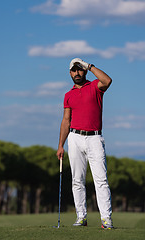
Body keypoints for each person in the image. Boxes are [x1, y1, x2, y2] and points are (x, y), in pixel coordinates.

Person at [56, 58, 113, 229]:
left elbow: (107, 80)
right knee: (77, 180)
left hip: (94, 138)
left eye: (80, 70)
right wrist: (60, 145)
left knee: (101, 180)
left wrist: (89, 65)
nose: (77, 73)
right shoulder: (68, 95)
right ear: (70, 73)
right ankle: (81, 217)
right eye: (74, 70)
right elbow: (66, 121)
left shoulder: (96, 86)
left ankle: (106, 219)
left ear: (85, 71)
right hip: (75, 138)